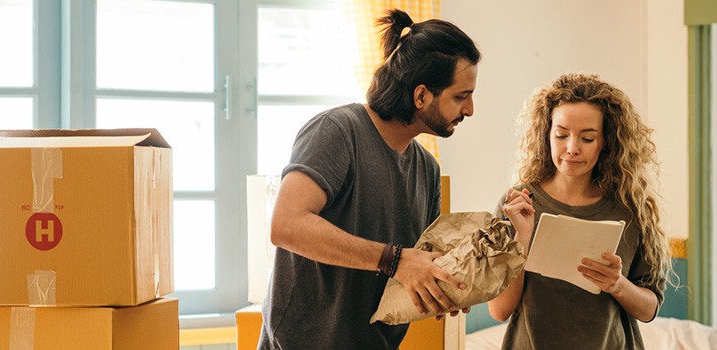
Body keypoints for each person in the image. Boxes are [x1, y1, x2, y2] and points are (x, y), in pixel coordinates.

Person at [257, 9, 481, 350]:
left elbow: (414, 265)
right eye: (460, 96)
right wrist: (394, 260)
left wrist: (445, 286)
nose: (470, 110)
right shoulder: (337, 131)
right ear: (421, 95)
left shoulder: (427, 169)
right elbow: (287, 225)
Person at [488, 73, 674, 349]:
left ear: (606, 142)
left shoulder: (631, 209)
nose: (572, 148)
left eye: (587, 138)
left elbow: (649, 309)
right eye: (561, 135)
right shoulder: (518, 203)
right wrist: (522, 238)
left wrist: (617, 284)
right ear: (546, 134)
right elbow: (499, 310)